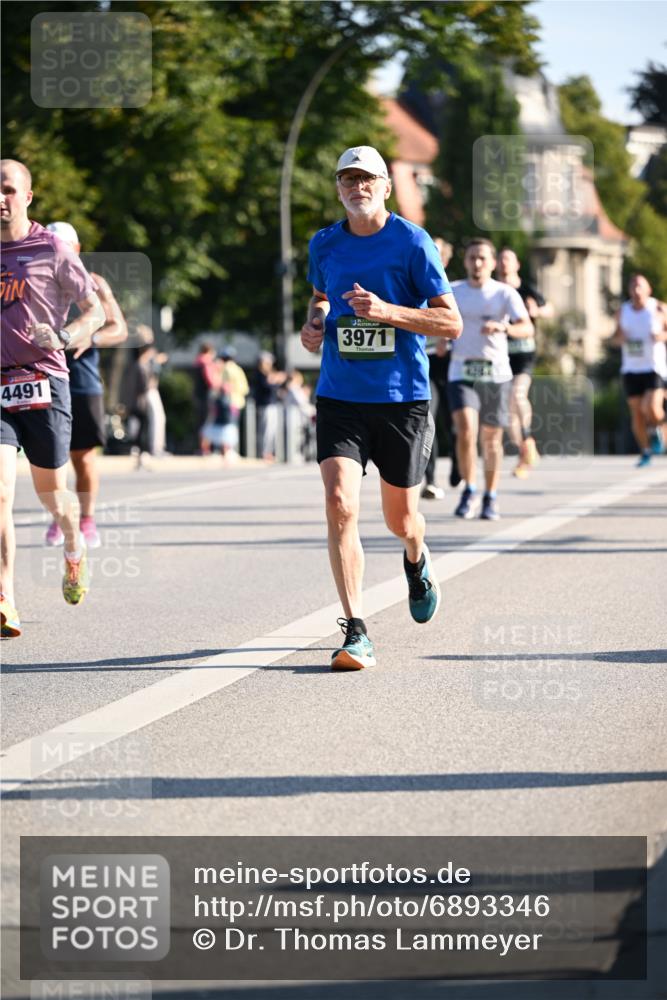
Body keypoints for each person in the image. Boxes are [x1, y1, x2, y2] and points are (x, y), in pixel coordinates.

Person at [300, 145, 462, 670]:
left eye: (367, 179)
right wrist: (317, 321)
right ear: (338, 188)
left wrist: (389, 311)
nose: (358, 187)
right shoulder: (324, 243)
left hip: (402, 399)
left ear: (386, 186)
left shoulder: (413, 243)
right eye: (348, 179)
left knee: (402, 519)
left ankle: (416, 559)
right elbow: (321, 295)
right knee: (340, 502)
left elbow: (451, 323)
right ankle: (356, 631)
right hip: (340, 394)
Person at [0, 159, 105, 636]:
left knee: (53, 496)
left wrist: (62, 336)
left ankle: (71, 541)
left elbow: (96, 311)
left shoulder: (52, 250)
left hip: (44, 382)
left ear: (27, 196)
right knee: (0, 493)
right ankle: (6, 599)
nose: (0, 199)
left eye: (7, 190)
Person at [43, 221, 128, 549]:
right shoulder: (33, 281)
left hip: (82, 380)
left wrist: (89, 336)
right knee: (51, 455)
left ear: (76, 250)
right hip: (45, 377)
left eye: (63, 246)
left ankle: (88, 519)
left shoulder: (93, 283)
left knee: (83, 456)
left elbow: (119, 328)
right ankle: (59, 519)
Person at [449, 239, 533, 521]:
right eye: (472, 257)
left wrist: (504, 326)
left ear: (493, 263)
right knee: (466, 431)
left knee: (491, 438)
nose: (477, 263)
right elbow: (436, 318)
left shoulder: (505, 293)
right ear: (465, 261)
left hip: (496, 373)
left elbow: (527, 327)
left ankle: (490, 496)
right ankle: (470, 488)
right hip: (461, 371)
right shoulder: (453, 291)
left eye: (483, 258)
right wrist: (440, 340)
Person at [495, 247, 554, 478]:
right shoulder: (494, 290)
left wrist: (537, 311)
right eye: (500, 259)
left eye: (507, 259)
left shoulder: (526, 289)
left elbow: (550, 308)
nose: (503, 263)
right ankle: (524, 453)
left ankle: (528, 438)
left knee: (517, 395)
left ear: (516, 264)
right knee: (508, 412)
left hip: (524, 352)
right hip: (500, 353)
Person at [612, 273, 667, 466]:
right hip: (631, 368)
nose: (636, 290)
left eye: (640, 286)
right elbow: (615, 338)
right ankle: (645, 450)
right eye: (633, 286)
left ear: (648, 290)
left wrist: (661, 336)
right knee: (637, 413)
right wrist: (622, 339)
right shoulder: (622, 311)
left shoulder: (659, 308)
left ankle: (659, 430)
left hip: (654, 366)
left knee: (650, 407)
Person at [422, 238, 460, 500]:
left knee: (455, 420)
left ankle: (459, 463)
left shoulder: (454, 289)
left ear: (444, 260)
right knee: (429, 419)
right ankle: (431, 479)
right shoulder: (415, 283)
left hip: (453, 363)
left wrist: (447, 339)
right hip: (426, 361)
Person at [253, 351, 285, 461]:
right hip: (265, 405)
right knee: (266, 430)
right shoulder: (260, 373)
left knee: (271, 430)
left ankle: (268, 452)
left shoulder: (268, 373)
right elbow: (267, 386)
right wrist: (275, 380)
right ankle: (264, 452)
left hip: (272, 404)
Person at [194, 341, 221, 455]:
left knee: (201, 421)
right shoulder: (206, 363)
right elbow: (211, 381)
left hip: (199, 395)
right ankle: (205, 448)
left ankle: (202, 447)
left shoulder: (198, 362)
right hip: (206, 396)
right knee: (207, 422)